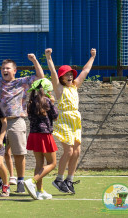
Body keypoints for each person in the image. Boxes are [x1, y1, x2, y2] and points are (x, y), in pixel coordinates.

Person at [0, 51, 44, 193]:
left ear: (14, 70)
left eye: (7, 68)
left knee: (19, 153)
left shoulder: (22, 82)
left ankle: (20, 180)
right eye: (3, 68)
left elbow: (40, 77)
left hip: (16, 121)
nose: (4, 70)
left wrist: (34, 60)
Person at [46, 48, 97, 194]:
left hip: (75, 120)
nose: (69, 76)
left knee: (76, 152)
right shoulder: (59, 88)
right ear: (61, 78)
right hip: (64, 119)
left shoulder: (75, 86)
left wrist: (92, 57)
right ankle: (59, 179)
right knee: (68, 151)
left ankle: (69, 180)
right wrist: (48, 57)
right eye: (66, 75)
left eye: (70, 74)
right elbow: (53, 74)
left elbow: (85, 71)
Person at [22, 78, 59, 200]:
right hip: (44, 135)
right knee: (52, 163)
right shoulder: (47, 101)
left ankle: (40, 191)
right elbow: (55, 116)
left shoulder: (31, 102)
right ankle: (32, 181)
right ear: (47, 90)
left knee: (39, 163)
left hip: (33, 135)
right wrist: (52, 103)